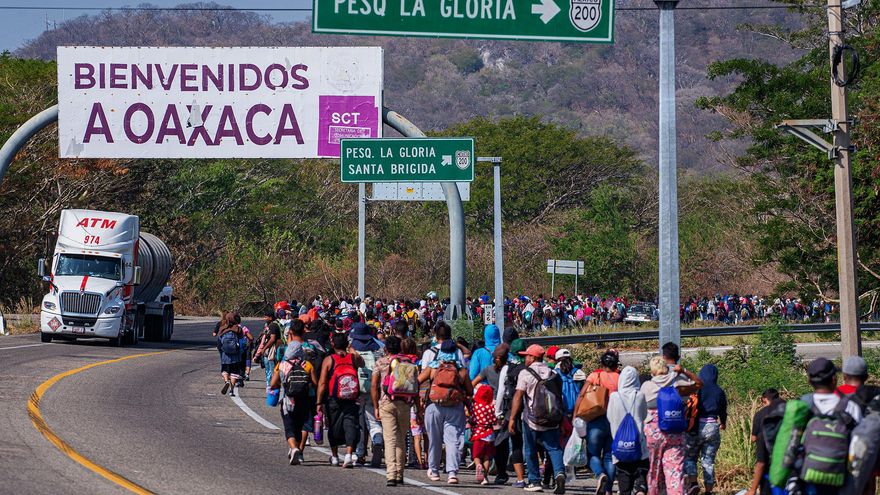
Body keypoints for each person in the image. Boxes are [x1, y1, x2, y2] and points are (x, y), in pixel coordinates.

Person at [639, 356, 703, 495]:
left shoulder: (646, 386)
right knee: (675, 472)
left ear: (653, 371)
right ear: (666, 368)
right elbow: (699, 384)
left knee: (654, 471)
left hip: (653, 433)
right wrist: (684, 371)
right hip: (675, 432)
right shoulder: (678, 383)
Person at [509, 344, 567, 494]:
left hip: (531, 419)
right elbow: (560, 399)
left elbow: (518, 396)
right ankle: (560, 473)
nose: (525, 358)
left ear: (533, 357)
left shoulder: (525, 373)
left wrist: (512, 418)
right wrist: (561, 420)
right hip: (552, 419)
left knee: (530, 449)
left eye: (527, 356)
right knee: (554, 448)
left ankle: (534, 481)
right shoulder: (553, 373)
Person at [418, 339, 472, 485]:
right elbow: (470, 390)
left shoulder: (434, 367)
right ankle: (452, 473)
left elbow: (418, 381)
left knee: (434, 439)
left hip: (434, 406)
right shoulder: (461, 370)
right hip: (455, 406)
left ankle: (434, 470)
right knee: (453, 440)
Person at [269, 325, 319, 466]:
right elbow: (315, 382)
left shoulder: (283, 364)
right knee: (301, 425)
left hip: (288, 399)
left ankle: (293, 447)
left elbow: (273, 383)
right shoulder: (307, 364)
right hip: (305, 398)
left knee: (289, 426)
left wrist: (280, 384)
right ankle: (300, 451)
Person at [317, 332, 366, 468]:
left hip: (333, 398)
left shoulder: (329, 360)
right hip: (351, 397)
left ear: (333, 344)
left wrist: (319, 402)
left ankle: (334, 456)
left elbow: (322, 382)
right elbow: (362, 362)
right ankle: (349, 454)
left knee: (333, 425)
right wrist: (351, 349)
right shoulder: (353, 358)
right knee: (350, 423)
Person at [371, 336, 416, 486]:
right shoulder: (407, 362)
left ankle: (391, 475)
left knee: (389, 439)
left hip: (386, 402)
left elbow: (374, 386)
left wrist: (376, 407)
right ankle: (400, 474)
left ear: (386, 349)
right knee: (401, 439)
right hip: (405, 403)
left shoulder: (381, 362)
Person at [576, 349, 621, 495]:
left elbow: (582, 394)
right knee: (609, 456)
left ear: (602, 364)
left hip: (596, 419)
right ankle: (608, 491)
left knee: (592, 453)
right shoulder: (620, 378)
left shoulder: (595, 375)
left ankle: (600, 473)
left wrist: (576, 415)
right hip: (614, 420)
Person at [684, 364, 727, 495]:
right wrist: (723, 423)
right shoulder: (719, 391)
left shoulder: (698, 388)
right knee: (708, 461)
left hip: (695, 427)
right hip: (713, 426)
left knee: (690, 457)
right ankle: (709, 491)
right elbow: (723, 410)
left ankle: (693, 483)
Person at [607, 366, 649, 495]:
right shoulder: (640, 396)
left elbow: (609, 417)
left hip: (620, 446)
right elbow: (644, 415)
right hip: (638, 444)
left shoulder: (614, 396)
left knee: (624, 477)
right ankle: (640, 489)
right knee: (640, 472)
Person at [495, 338, 528, 488]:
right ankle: (535, 477)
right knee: (526, 444)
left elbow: (501, 391)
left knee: (506, 442)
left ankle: (507, 475)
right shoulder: (528, 367)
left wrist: (498, 411)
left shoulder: (506, 368)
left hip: (509, 411)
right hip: (528, 410)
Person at [743, 389, 784, 495]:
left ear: (764, 399)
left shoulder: (759, 415)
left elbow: (753, 438)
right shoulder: (788, 413)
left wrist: (753, 489)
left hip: (768, 469)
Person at [471, 384, 497, 485]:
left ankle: (478, 465)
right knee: (487, 457)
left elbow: (473, 418)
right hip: (489, 434)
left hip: (478, 433)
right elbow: (494, 420)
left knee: (476, 455)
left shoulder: (476, 406)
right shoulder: (491, 407)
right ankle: (485, 477)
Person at [217, 312, 244, 396]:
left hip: (225, 354)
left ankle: (226, 381)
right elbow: (241, 339)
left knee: (225, 370)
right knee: (234, 372)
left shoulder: (222, 328)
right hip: (235, 353)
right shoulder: (238, 329)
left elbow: (219, 341)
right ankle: (231, 391)